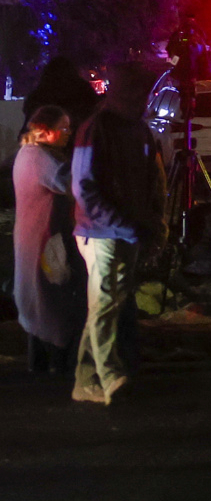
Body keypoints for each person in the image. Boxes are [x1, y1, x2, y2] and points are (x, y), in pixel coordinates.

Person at [70, 62, 165, 404]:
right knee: (106, 303)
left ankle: (87, 379)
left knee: (104, 305)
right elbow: (84, 186)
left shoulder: (135, 128)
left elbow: (147, 181)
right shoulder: (97, 128)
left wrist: (148, 222)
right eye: (141, 93)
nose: (146, 99)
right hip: (101, 233)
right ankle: (110, 377)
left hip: (120, 230)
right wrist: (131, 223)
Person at [14, 105, 84, 373]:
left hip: (36, 241)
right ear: (44, 131)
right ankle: (54, 369)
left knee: (40, 304)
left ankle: (43, 367)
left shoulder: (29, 154)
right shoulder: (39, 159)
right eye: (63, 129)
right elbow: (71, 185)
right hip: (44, 244)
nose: (68, 134)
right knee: (50, 305)